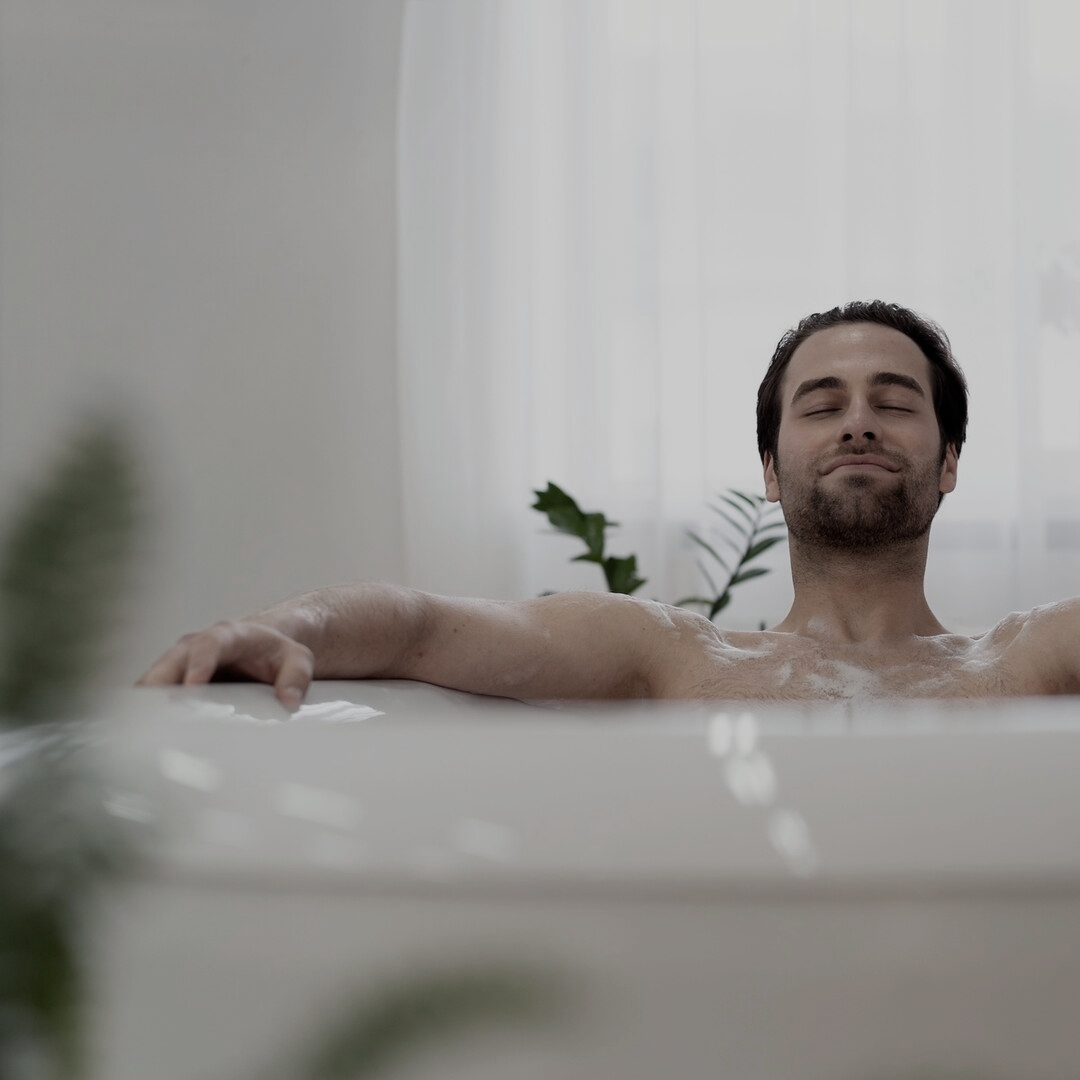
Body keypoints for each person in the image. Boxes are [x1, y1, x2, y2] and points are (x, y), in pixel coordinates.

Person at [139, 300, 1080, 705]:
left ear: (949, 459)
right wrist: (281, 628)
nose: (858, 424)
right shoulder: (671, 656)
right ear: (770, 467)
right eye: (822, 404)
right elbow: (420, 626)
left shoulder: (1028, 658)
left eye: (895, 402)